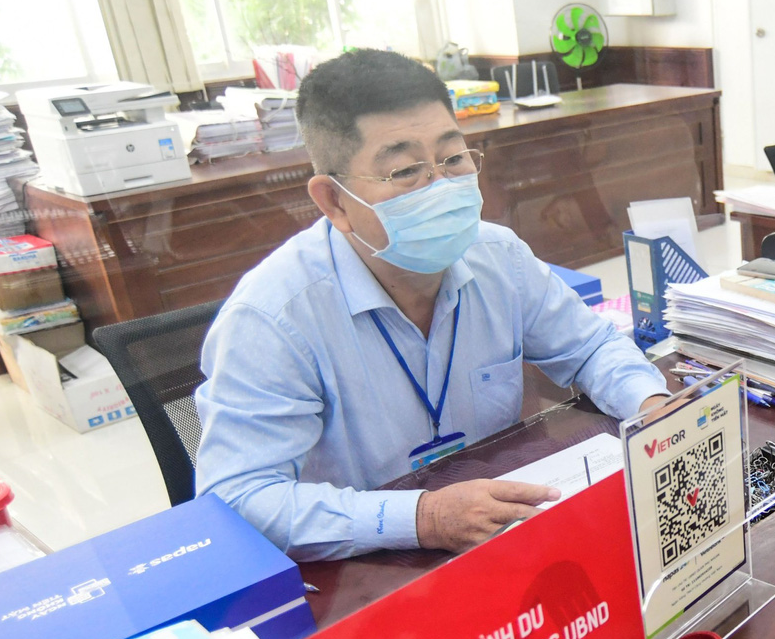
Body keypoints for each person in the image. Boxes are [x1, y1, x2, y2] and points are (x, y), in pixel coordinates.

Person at [195, 49, 668, 561]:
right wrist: (423, 518)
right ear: (334, 202)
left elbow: (592, 347)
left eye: (453, 158)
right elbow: (238, 501)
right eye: (405, 171)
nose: (442, 188)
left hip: (499, 539)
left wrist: (652, 406)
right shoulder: (272, 319)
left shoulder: (498, 256)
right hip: (368, 569)